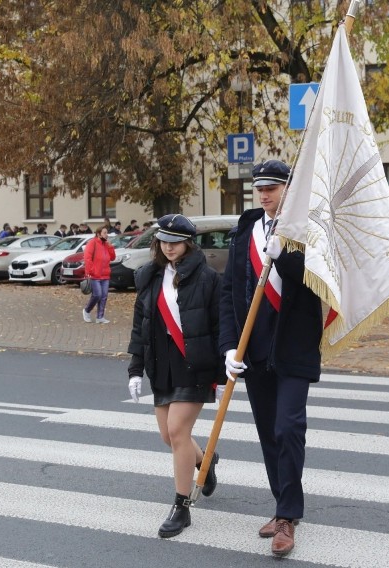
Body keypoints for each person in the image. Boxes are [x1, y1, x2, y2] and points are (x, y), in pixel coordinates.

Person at [219, 159, 322, 558]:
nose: (264, 195)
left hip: (294, 345)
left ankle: (286, 517)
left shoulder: (309, 229)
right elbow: (230, 292)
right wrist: (230, 346)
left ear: (288, 190)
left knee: (288, 427)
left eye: (272, 188)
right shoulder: (246, 228)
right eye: (259, 188)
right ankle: (282, 504)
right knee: (268, 433)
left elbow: (320, 283)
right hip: (255, 347)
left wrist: (287, 257)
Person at [126, 214, 224, 538]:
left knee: (178, 431)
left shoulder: (208, 279)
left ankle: (181, 507)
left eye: (175, 242)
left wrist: (223, 374)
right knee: (168, 437)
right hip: (162, 365)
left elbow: (219, 327)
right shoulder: (150, 278)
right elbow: (141, 327)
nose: (169, 248)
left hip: (195, 365)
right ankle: (205, 462)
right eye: (164, 241)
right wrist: (135, 369)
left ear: (187, 243)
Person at [82, 226, 116, 324]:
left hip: (105, 275)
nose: (107, 235)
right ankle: (87, 310)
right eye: (105, 233)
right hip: (95, 275)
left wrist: (110, 247)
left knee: (104, 296)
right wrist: (90, 271)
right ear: (98, 234)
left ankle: (100, 317)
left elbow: (112, 257)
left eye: (107, 233)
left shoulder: (106, 244)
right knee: (97, 295)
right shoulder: (92, 243)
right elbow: (87, 258)